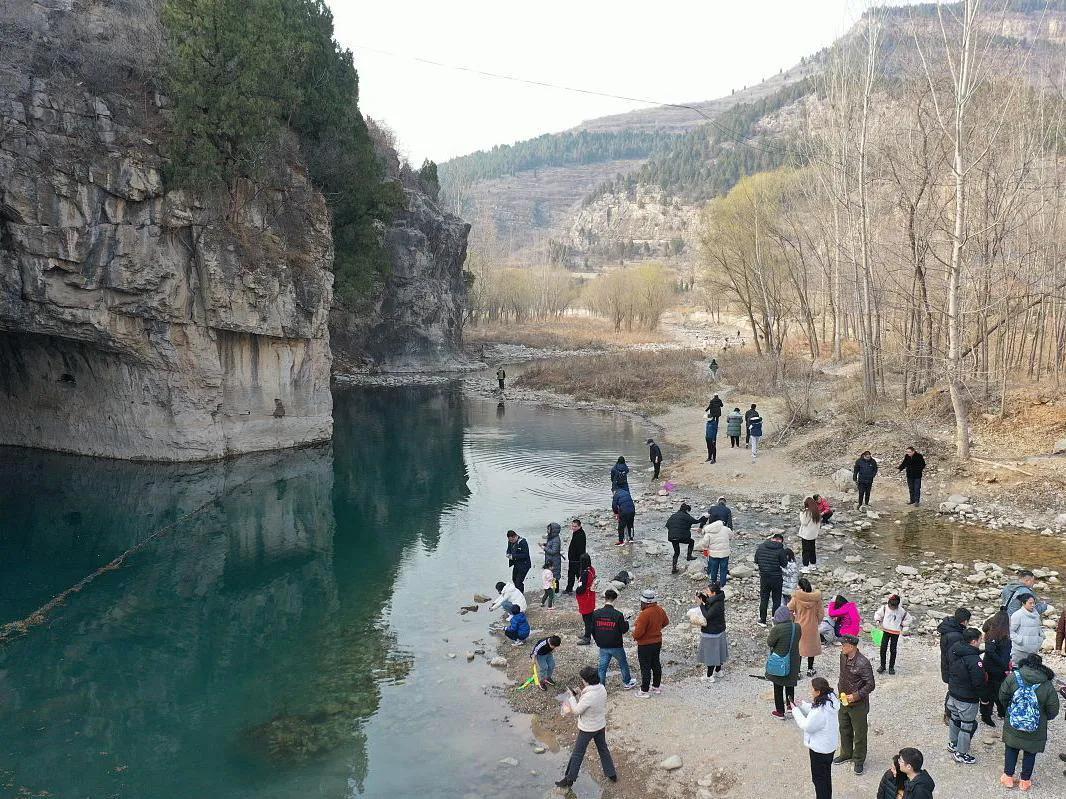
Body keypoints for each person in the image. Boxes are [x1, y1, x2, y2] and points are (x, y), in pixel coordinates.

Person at [999, 653, 1061, 791]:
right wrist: (1044, 718)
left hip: (1014, 721)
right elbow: (1053, 709)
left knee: (1011, 747)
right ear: (1041, 666)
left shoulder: (1013, 677)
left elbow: (1002, 695)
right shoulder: (1046, 684)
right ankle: (1025, 781)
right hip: (1035, 725)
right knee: (1030, 752)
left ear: (1025, 663)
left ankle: (1008, 777)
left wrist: (1009, 710)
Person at [555, 666, 618, 788]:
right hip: (600, 725)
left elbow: (577, 710)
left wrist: (572, 697)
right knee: (603, 749)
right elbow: (589, 705)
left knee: (577, 753)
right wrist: (581, 693)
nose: (582, 681)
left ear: (587, 680)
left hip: (588, 729)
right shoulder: (602, 688)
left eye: (583, 679)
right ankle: (611, 774)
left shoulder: (589, 695)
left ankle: (569, 779)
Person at [793, 676, 840, 799]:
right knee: (825, 777)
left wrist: (795, 710)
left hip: (819, 750)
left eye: (812, 690)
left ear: (818, 692)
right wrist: (802, 705)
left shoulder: (820, 711)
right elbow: (814, 710)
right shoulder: (831, 701)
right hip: (829, 747)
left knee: (819, 780)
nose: (811, 692)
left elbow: (807, 725)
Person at [834, 635, 875, 775]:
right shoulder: (843, 656)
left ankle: (858, 760)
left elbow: (870, 685)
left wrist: (856, 696)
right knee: (844, 728)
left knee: (860, 733)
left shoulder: (863, 663)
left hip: (858, 704)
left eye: (843, 645)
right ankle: (846, 753)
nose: (841, 647)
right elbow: (842, 675)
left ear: (851, 647)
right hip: (844, 700)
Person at [946, 627, 984, 764]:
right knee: (966, 725)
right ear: (973, 641)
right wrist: (984, 698)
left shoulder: (955, 649)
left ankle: (953, 743)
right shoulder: (974, 660)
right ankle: (961, 753)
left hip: (953, 692)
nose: (981, 642)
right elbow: (978, 682)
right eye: (980, 640)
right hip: (967, 698)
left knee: (954, 719)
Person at [591, 588, 637, 689]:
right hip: (616, 645)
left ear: (605, 598)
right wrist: (626, 621)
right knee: (623, 664)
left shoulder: (596, 613)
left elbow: (592, 629)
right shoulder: (618, 615)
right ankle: (627, 682)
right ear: (615, 600)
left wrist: (598, 641)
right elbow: (624, 630)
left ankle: (601, 687)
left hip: (602, 645)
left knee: (602, 668)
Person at [767, 605, 802, 719]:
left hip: (780, 660)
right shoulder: (797, 627)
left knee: (778, 686)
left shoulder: (777, 629)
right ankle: (791, 706)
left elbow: (770, 642)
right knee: (790, 683)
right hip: (794, 660)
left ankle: (780, 712)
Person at [633, 589, 670, 697]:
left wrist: (634, 635)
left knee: (645, 667)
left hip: (645, 644)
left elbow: (638, 633)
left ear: (645, 602)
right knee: (656, 663)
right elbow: (666, 622)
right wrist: (656, 629)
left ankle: (644, 690)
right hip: (657, 642)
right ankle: (656, 686)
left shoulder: (644, 614)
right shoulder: (660, 610)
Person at [938, 607, 971, 722]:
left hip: (947, 664)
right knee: (953, 690)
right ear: (965, 621)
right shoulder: (955, 635)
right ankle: (948, 714)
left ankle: (949, 713)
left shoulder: (950, 627)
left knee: (952, 689)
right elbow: (955, 654)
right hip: (952, 667)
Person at [980, 609, 1012, 727]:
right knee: (994, 692)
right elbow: (993, 652)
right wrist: (1004, 664)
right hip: (997, 669)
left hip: (990, 666)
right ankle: (988, 715)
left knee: (993, 691)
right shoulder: (1001, 638)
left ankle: (994, 713)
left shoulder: (991, 633)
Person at [789, 577, 824, 677]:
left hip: (799, 625)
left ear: (800, 587)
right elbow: (821, 613)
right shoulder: (816, 599)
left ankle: (798, 671)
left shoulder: (796, 597)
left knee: (799, 649)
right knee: (811, 648)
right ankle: (810, 669)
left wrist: (793, 619)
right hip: (812, 626)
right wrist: (817, 621)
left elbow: (789, 609)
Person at [696, 584, 729, 681]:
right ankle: (718, 671)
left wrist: (700, 604)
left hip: (712, 632)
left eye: (708, 592)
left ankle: (709, 676)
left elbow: (707, 615)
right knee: (719, 652)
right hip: (719, 630)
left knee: (711, 655)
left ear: (713, 593)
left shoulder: (717, 605)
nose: (707, 593)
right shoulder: (718, 598)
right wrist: (701, 596)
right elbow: (709, 601)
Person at [754, 533, 788, 626]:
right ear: (780, 540)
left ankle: (762, 620)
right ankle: (775, 620)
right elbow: (784, 564)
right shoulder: (781, 550)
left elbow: (756, 560)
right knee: (776, 599)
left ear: (772, 539)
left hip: (764, 577)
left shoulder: (761, 547)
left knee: (764, 598)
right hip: (776, 577)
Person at [873, 594, 912, 674]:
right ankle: (882, 666)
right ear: (889, 603)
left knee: (893, 650)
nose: (892, 607)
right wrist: (878, 620)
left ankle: (891, 667)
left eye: (894, 606)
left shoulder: (901, 611)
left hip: (895, 632)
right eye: (891, 605)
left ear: (897, 605)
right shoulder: (884, 608)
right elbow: (878, 614)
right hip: (886, 631)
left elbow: (908, 619)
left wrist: (903, 625)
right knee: (883, 648)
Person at [665, 502, 703, 574]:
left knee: (676, 552)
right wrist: (703, 518)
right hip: (682, 537)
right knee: (691, 542)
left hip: (672, 537)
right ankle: (689, 556)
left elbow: (667, 525)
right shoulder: (687, 516)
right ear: (686, 510)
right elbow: (696, 521)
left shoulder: (673, 516)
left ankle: (674, 568)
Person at [1010, 594, 1046, 661]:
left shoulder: (1036, 614)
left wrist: (1041, 637)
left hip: (1034, 649)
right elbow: (1010, 631)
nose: (1033, 605)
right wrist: (1020, 640)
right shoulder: (1017, 615)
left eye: (1034, 603)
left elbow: (1038, 628)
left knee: (1032, 669)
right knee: (1017, 669)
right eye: (1030, 603)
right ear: (1023, 603)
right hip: (1020, 650)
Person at [698, 519, 731, 587]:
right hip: (725, 554)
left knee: (713, 569)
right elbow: (731, 536)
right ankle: (723, 584)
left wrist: (705, 548)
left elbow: (704, 544)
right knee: (723, 569)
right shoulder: (726, 529)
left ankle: (713, 582)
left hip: (713, 554)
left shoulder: (709, 532)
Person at [575, 553, 597, 645]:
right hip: (590, 596)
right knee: (589, 617)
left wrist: (577, 591)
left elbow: (582, 588)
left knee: (587, 619)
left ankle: (587, 637)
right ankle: (587, 634)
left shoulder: (584, 573)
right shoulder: (591, 570)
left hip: (585, 598)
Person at [798, 497, 821, 573]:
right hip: (813, 534)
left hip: (806, 535)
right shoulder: (816, 511)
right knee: (812, 549)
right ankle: (813, 564)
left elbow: (804, 522)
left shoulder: (808, 512)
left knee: (805, 551)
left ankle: (805, 566)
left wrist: (801, 513)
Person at [564, 518, 586, 594]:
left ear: (579, 526)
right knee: (571, 575)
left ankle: (582, 589)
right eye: (572, 526)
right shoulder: (576, 533)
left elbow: (580, 549)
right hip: (573, 559)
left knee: (578, 576)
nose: (573, 528)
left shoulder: (580, 535)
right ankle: (569, 589)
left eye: (575, 526)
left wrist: (575, 558)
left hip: (576, 559)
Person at [540, 522, 562, 590]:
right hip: (550, 560)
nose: (547, 531)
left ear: (553, 530)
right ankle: (551, 590)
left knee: (554, 576)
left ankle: (556, 591)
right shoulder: (552, 537)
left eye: (549, 529)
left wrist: (544, 548)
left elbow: (554, 551)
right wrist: (545, 544)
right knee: (550, 576)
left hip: (554, 561)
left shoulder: (556, 539)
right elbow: (551, 545)